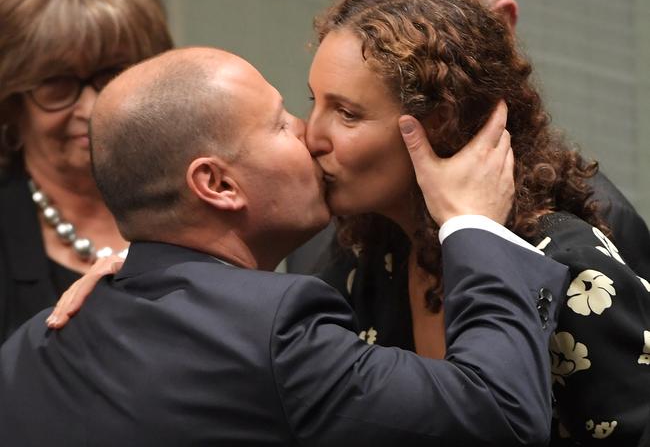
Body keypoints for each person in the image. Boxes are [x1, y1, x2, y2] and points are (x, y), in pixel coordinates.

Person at [0, 46, 570, 446]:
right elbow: (500, 414)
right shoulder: (272, 335)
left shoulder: (31, 345)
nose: (309, 133)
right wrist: (475, 228)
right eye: (280, 122)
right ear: (216, 185)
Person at [302, 0, 649, 446]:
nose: (312, 136)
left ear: (438, 121)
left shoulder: (569, 267)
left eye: (346, 113)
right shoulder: (367, 248)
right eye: (314, 102)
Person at [288, 0, 650, 279]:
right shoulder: (337, 231)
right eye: (364, 7)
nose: (311, 137)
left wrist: (473, 235)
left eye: (423, 21)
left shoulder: (580, 247)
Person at [0, 0, 173, 342]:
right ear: (13, 99)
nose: (92, 110)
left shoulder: (197, 196)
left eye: (113, 74)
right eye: (58, 85)